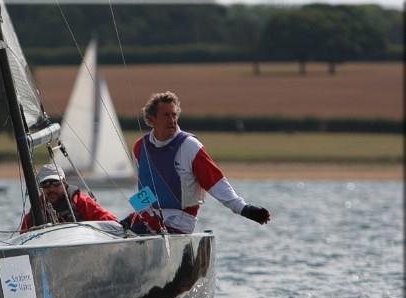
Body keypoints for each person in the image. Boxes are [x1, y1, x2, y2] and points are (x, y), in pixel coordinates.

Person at [124, 91, 270, 234]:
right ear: (151, 119)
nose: (172, 120)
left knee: (140, 230)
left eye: (174, 115)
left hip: (180, 222)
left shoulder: (190, 146)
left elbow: (216, 182)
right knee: (115, 227)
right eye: (166, 115)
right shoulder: (139, 147)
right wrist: (136, 214)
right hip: (148, 220)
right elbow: (144, 188)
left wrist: (244, 209)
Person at [20, 164, 117, 233]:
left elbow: (110, 221)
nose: (51, 188)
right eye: (45, 184)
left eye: (56, 183)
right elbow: (23, 239)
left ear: (64, 182)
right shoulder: (35, 211)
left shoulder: (80, 201)